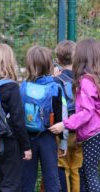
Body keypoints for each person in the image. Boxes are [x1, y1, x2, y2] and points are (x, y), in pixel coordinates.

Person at [50, 38, 100, 192]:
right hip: (91, 133)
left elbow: (86, 112)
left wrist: (64, 124)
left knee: (89, 175)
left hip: (92, 134)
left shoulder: (86, 81)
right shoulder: (95, 79)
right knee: (84, 172)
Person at [0, 43, 32, 192]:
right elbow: (18, 120)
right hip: (9, 141)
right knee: (11, 184)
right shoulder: (11, 87)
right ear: (10, 60)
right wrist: (26, 146)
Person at [20, 45, 67, 192]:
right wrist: (63, 141)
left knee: (27, 181)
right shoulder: (56, 87)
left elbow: (18, 115)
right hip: (48, 136)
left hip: (28, 139)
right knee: (52, 180)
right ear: (49, 64)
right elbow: (61, 116)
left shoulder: (23, 87)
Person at [54, 40, 84, 192]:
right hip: (80, 130)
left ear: (58, 60)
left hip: (61, 131)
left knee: (63, 167)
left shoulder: (55, 81)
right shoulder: (83, 79)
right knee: (76, 168)